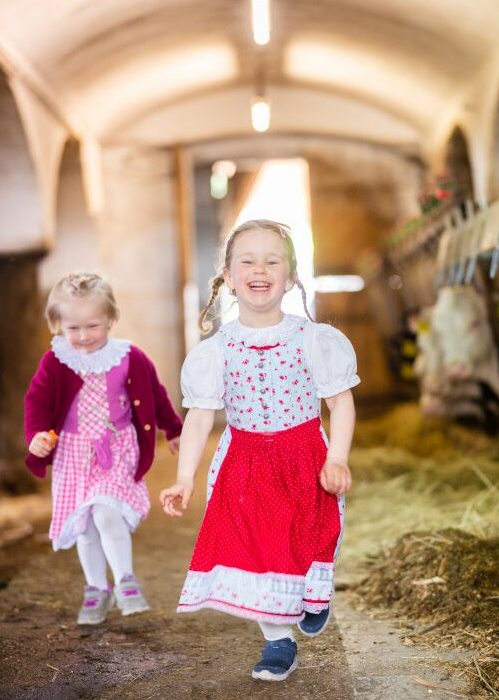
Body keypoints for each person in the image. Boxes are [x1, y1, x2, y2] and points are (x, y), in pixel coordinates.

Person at [160, 220, 359, 681]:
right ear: (228, 276)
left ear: (290, 277)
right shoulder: (217, 349)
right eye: (246, 260)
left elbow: (340, 402)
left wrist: (338, 457)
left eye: (273, 260)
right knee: (258, 549)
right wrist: (185, 477)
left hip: (304, 453)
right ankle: (277, 641)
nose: (260, 268)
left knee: (311, 533)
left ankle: (314, 590)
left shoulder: (312, 339)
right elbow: (199, 416)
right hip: (245, 461)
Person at [24, 272, 182, 625]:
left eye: (93, 326)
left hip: (117, 450)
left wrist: (173, 427)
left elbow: (155, 395)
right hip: (74, 456)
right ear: (57, 325)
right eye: (73, 328)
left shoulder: (128, 356)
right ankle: (97, 588)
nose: (83, 337)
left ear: (111, 318)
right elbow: (36, 401)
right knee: (85, 525)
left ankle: (126, 580)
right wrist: (36, 434)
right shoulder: (56, 361)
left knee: (105, 512)